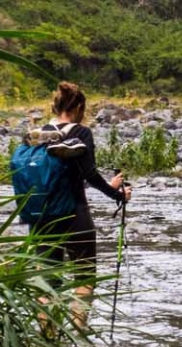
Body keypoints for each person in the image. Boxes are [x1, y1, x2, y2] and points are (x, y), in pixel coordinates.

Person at [26, 81, 130, 300]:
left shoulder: (35, 135)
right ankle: (78, 333)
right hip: (75, 213)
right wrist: (117, 194)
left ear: (55, 108)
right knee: (84, 282)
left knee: (47, 284)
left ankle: (46, 334)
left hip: (41, 216)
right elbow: (89, 174)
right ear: (78, 109)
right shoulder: (81, 133)